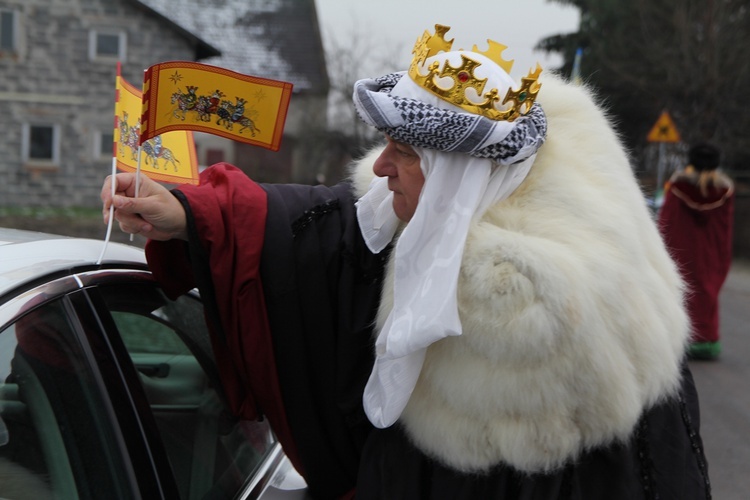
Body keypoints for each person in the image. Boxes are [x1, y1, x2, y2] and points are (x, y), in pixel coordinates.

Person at [102, 25, 711, 499]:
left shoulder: (553, 311)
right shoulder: (432, 208)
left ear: (458, 175)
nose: (382, 166)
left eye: (402, 151)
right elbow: (314, 229)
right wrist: (188, 214)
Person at [659, 143, 735, 360]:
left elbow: (667, 222)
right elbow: (725, 231)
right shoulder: (725, 191)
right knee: (707, 292)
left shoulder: (677, 188)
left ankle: (682, 339)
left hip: (682, 251)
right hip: (710, 253)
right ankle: (706, 340)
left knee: (683, 293)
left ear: (690, 162)